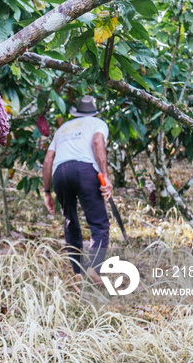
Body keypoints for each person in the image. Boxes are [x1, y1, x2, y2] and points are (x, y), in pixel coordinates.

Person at [42, 95, 113, 285]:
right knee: (99, 223)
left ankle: (77, 273)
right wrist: (105, 175)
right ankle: (94, 268)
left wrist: (47, 192)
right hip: (84, 170)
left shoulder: (63, 129)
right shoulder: (98, 123)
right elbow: (98, 142)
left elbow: (48, 160)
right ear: (94, 111)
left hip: (60, 172)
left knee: (70, 221)